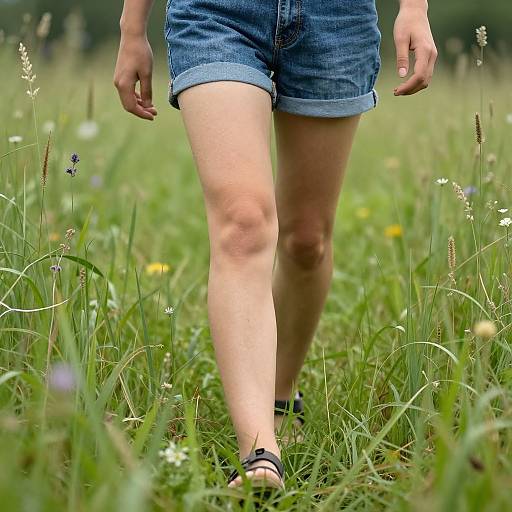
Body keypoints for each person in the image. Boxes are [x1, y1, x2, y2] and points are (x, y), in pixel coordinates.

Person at [114, 0, 437, 491]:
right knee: (242, 223)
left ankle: (281, 394)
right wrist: (132, 27)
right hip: (216, 13)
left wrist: (415, 8)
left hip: (336, 19)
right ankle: (260, 451)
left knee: (308, 240)